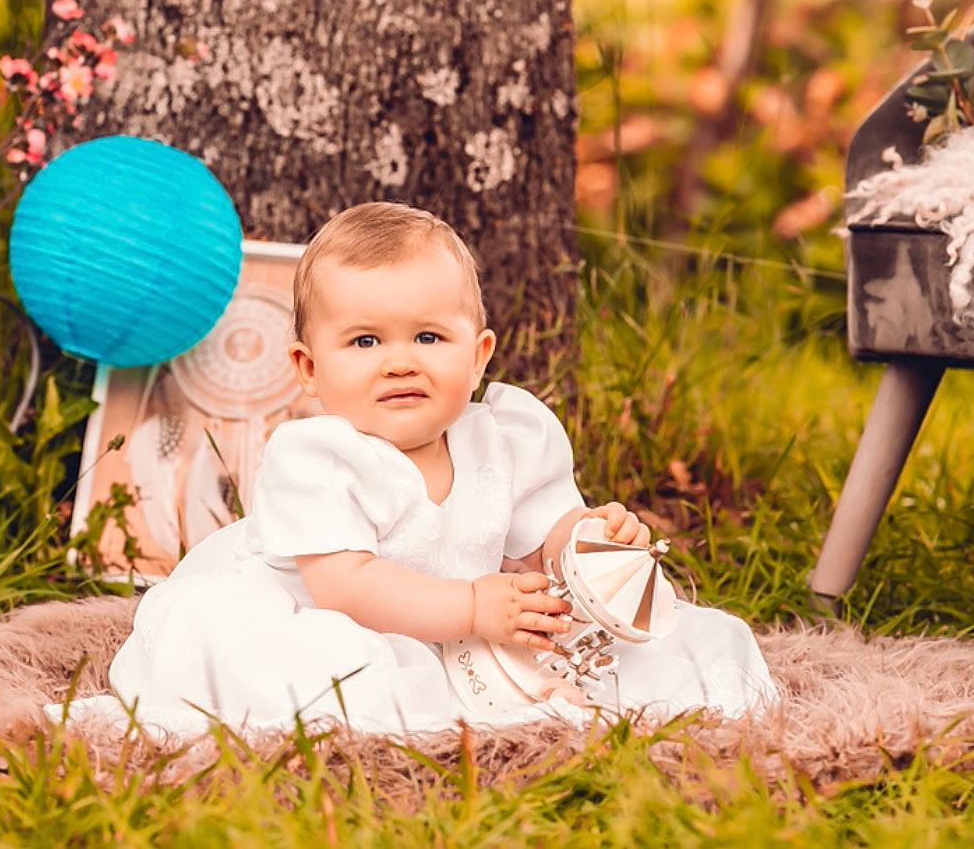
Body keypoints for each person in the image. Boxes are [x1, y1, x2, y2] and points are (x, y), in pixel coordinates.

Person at [104, 202, 776, 730]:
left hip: (471, 626)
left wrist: (593, 539)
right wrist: (471, 604)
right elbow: (346, 585)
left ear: (478, 353)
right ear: (309, 368)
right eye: (365, 340)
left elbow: (548, 531)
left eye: (429, 336)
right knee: (304, 664)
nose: (401, 360)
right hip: (338, 617)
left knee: (651, 648)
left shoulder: (507, 436)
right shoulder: (320, 458)